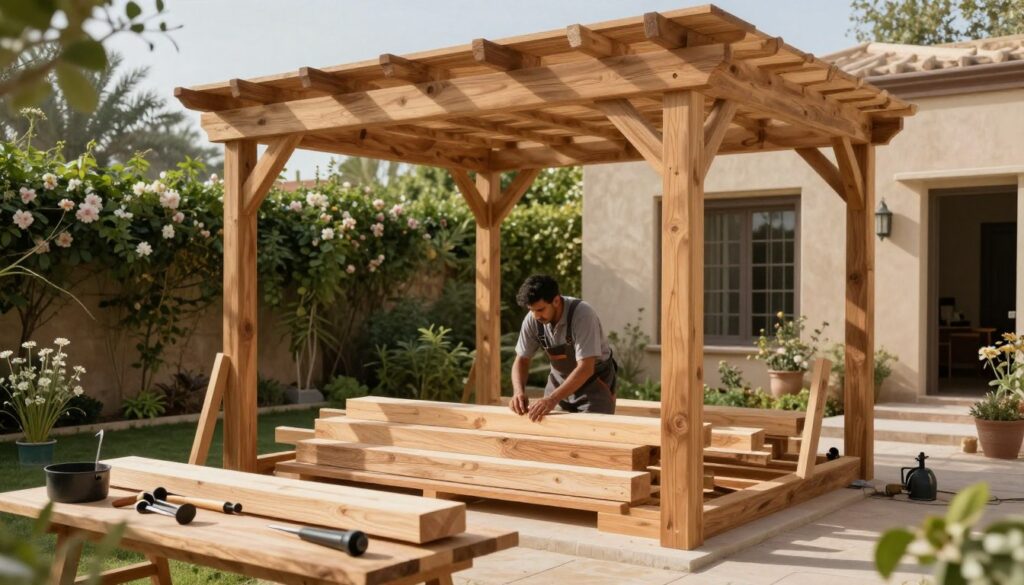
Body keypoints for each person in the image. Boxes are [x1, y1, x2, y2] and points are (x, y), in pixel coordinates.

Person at [509, 275, 617, 421]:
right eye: (532, 310)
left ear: (556, 300)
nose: (536, 316)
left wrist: (552, 399)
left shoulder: (583, 315)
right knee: (548, 432)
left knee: (591, 435)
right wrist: (518, 392)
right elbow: (521, 359)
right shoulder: (532, 319)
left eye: (540, 310)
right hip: (558, 383)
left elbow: (586, 368)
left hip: (593, 384)